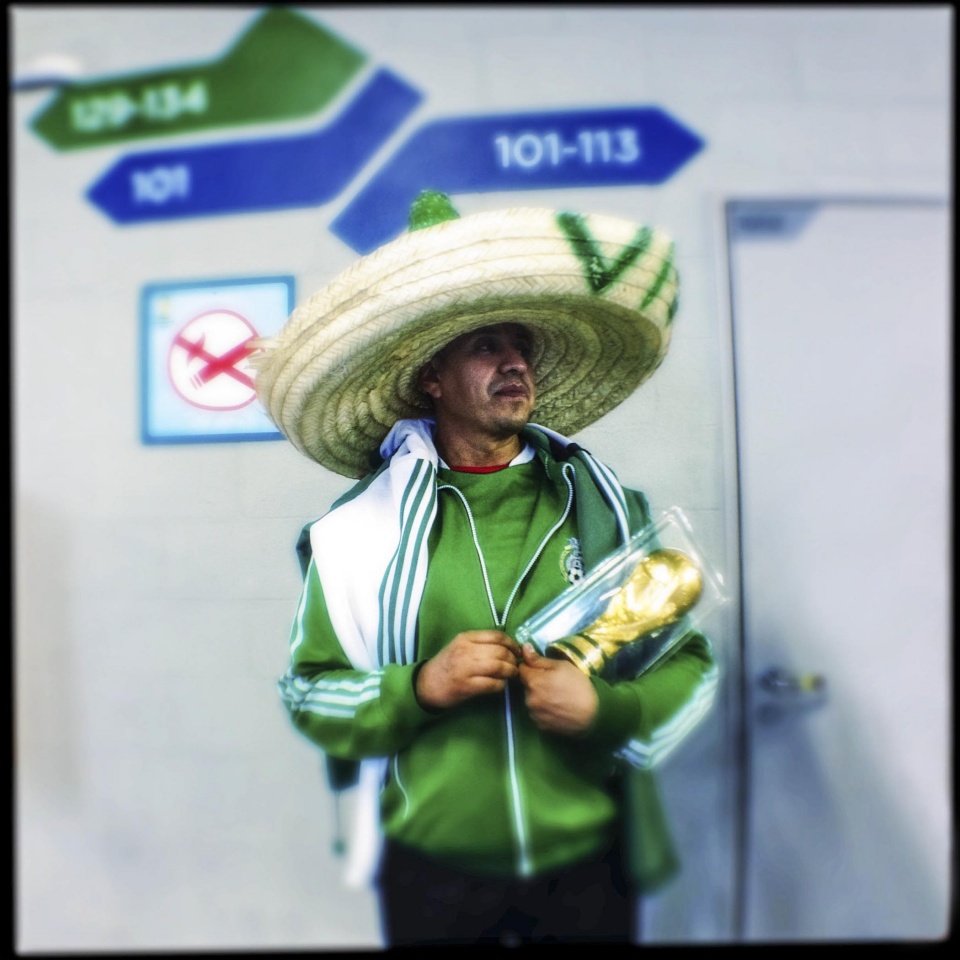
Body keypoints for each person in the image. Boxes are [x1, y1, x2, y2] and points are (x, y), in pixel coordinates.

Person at [254, 191, 718, 946]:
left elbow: (690, 667)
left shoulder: (604, 509)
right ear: (430, 379)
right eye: (484, 345)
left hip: (589, 868)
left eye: (521, 346)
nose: (515, 363)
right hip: (431, 871)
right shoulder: (354, 533)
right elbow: (311, 695)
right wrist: (419, 687)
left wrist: (608, 711)